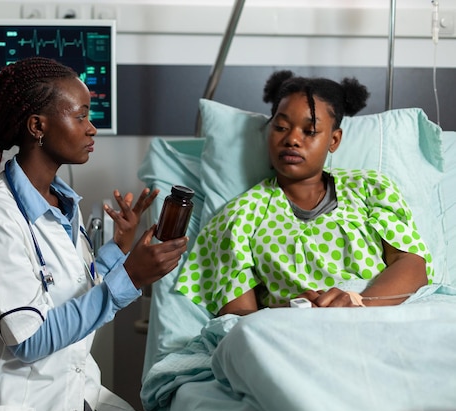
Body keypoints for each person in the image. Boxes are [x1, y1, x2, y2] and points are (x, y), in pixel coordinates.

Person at [0, 56, 188, 411]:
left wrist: (120, 247)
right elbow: (29, 340)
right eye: (80, 116)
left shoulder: (59, 202)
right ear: (37, 126)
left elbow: (74, 292)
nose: (92, 129)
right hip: (19, 400)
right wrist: (131, 276)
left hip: (71, 391)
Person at [175, 70, 432, 316]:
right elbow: (237, 319)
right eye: (281, 127)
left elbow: (411, 264)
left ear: (334, 140)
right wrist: (291, 312)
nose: (292, 139)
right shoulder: (240, 217)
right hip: (291, 335)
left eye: (309, 131)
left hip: (376, 320)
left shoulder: (370, 190)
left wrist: (360, 305)